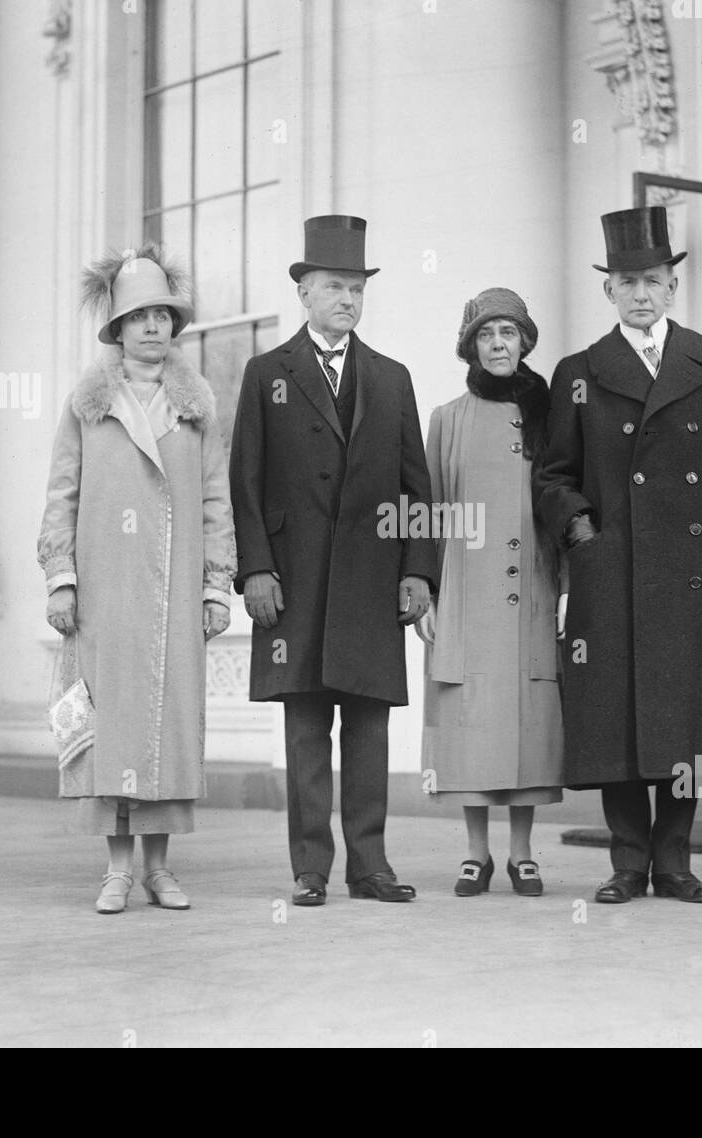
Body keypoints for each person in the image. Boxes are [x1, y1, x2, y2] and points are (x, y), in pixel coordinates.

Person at [533, 206, 702, 905]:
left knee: (687, 714)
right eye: (626, 282)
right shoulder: (579, 372)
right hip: (613, 571)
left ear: (672, 287)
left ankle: (674, 861)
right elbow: (553, 475)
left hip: (697, 571)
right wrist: (584, 535)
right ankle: (625, 862)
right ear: (607, 291)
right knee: (615, 714)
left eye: (652, 280)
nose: (640, 294)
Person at [229, 215, 437, 906]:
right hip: (295, 583)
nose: (346, 299)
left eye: (356, 287)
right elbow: (246, 481)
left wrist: (418, 571)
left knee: (371, 726)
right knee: (307, 724)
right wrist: (256, 569)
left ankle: (370, 864)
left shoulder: (391, 378)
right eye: (333, 287)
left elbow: (417, 485)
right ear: (304, 293)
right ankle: (311, 867)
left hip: (374, 581)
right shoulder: (267, 375)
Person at [38, 242, 236, 914]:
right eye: (138, 316)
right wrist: (61, 577)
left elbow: (216, 500)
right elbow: (61, 493)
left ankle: (160, 868)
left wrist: (216, 584)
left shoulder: (197, 408)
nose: (152, 327)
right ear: (117, 329)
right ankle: (116, 869)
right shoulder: (88, 405)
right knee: (110, 724)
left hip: (173, 592)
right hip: (107, 589)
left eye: (162, 315)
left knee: (168, 723)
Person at [417, 288, 563, 898]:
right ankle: (475, 853)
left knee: (528, 722)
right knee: (470, 720)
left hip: (534, 587)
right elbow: (424, 511)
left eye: (508, 333)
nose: (498, 344)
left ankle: (523, 854)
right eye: (486, 335)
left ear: (524, 341)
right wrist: (422, 590)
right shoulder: (448, 418)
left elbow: (567, 500)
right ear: (470, 346)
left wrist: (570, 588)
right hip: (466, 597)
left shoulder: (552, 414)